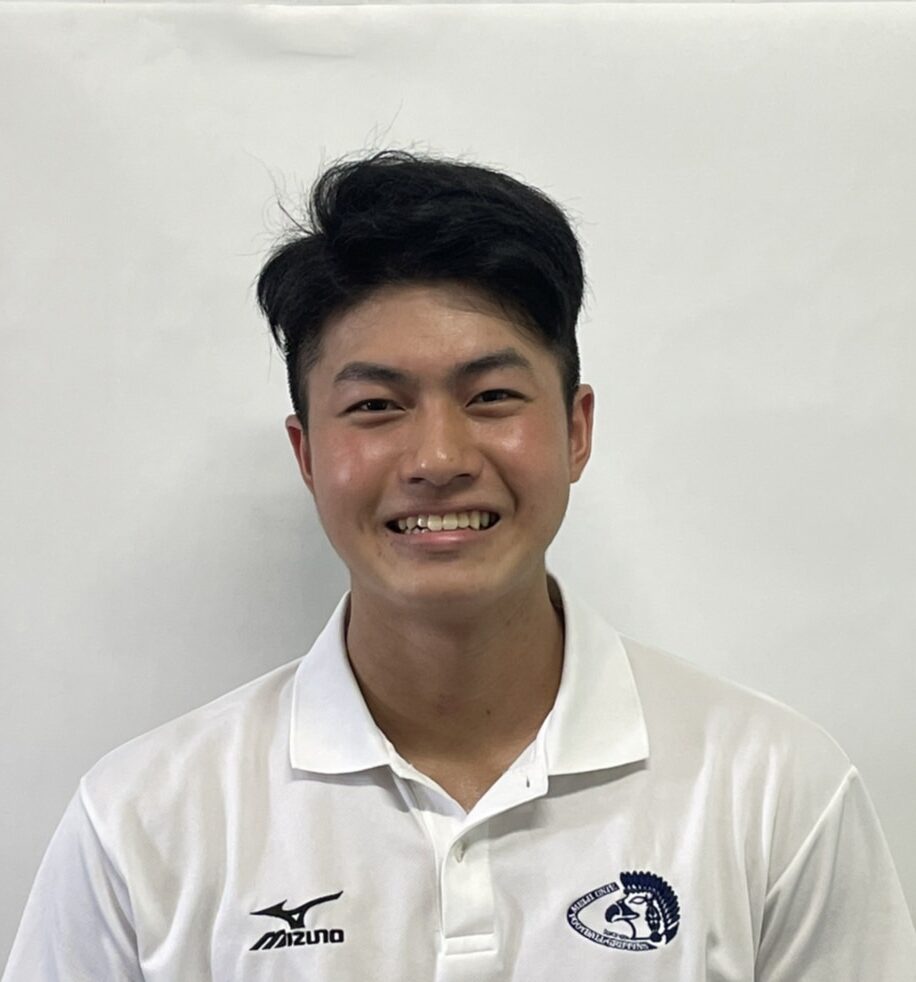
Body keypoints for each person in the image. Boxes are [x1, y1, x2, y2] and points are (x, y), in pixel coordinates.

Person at [3, 149, 914, 981]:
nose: (438, 458)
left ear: (576, 430)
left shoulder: (771, 790)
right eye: (375, 406)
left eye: (491, 396)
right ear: (307, 454)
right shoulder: (144, 822)